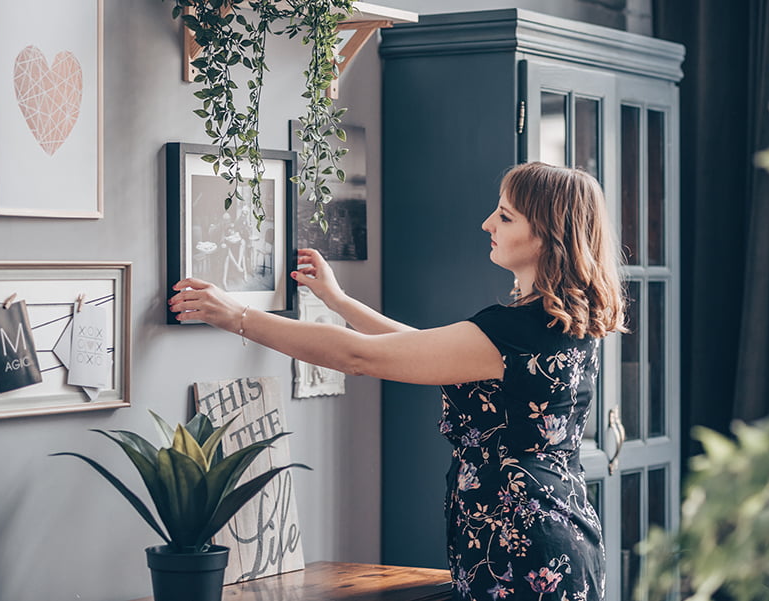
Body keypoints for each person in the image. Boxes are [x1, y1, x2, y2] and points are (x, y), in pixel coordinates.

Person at [169, 162, 626, 601]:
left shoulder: (515, 331)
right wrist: (339, 300)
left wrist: (240, 317)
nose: (487, 223)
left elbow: (358, 356)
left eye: (505, 216)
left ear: (548, 237)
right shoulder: (554, 321)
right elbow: (422, 348)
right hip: (545, 536)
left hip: (522, 548)